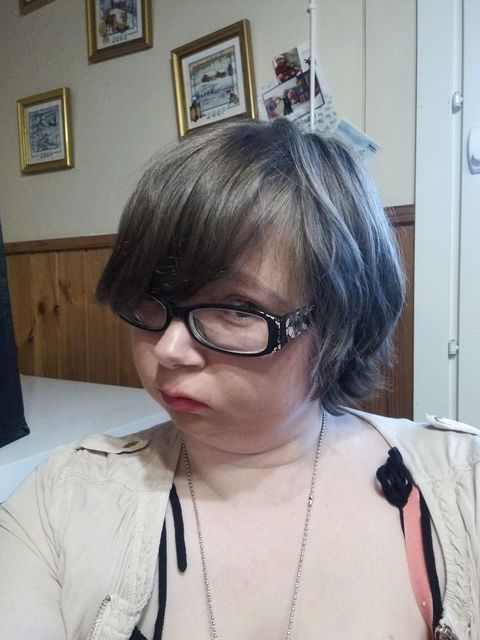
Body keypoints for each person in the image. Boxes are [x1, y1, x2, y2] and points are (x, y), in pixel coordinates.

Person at [0, 118, 478, 640]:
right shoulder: (59, 503)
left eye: (235, 308)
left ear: (340, 322)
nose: (168, 349)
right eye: (149, 298)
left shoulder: (465, 489)